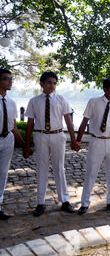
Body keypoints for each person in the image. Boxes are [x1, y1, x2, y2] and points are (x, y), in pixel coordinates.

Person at [23, 71, 80, 217]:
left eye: (54, 83)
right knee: (41, 168)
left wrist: (73, 140)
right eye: (49, 82)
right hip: (41, 136)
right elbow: (30, 124)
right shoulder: (34, 101)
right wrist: (27, 145)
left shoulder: (61, 99)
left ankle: (65, 200)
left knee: (59, 168)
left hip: (57, 135)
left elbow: (68, 121)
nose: (52, 86)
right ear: (42, 84)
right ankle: (40, 203)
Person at [76, 78, 110, 215]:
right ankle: (84, 203)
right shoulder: (93, 102)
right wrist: (78, 140)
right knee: (91, 172)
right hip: (97, 141)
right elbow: (84, 121)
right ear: (105, 89)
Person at [0, 68, 25, 220]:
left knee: (2, 174)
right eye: (6, 78)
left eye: (11, 79)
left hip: (8, 139)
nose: (10, 81)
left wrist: (23, 145)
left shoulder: (11, 103)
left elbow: (14, 126)